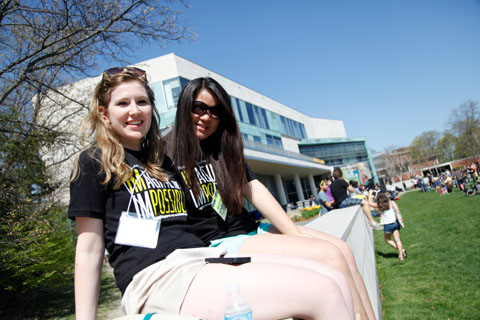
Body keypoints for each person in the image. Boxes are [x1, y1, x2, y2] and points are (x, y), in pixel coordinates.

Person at [69, 68, 354, 320]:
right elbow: (90, 248)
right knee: (325, 290)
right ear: (104, 114)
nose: (135, 110)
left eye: (142, 102)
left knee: (331, 275)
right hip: (156, 277)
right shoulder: (93, 162)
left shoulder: (160, 162)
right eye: (123, 103)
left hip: (203, 258)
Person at [167, 77, 375, 320]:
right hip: (219, 244)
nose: (205, 117)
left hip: (250, 232)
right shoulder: (165, 155)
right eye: (199, 107)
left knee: (342, 249)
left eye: (215, 112)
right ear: (184, 106)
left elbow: (255, 190)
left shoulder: (222, 149)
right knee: (329, 256)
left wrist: (296, 236)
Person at [376, 193, 407, 261]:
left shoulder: (379, 205)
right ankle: (401, 255)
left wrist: (369, 194)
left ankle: (402, 250)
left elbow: (369, 203)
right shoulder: (391, 202)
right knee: (397, 240)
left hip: (388, 225)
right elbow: (398, 210)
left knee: (387, 240)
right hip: (395, 222)